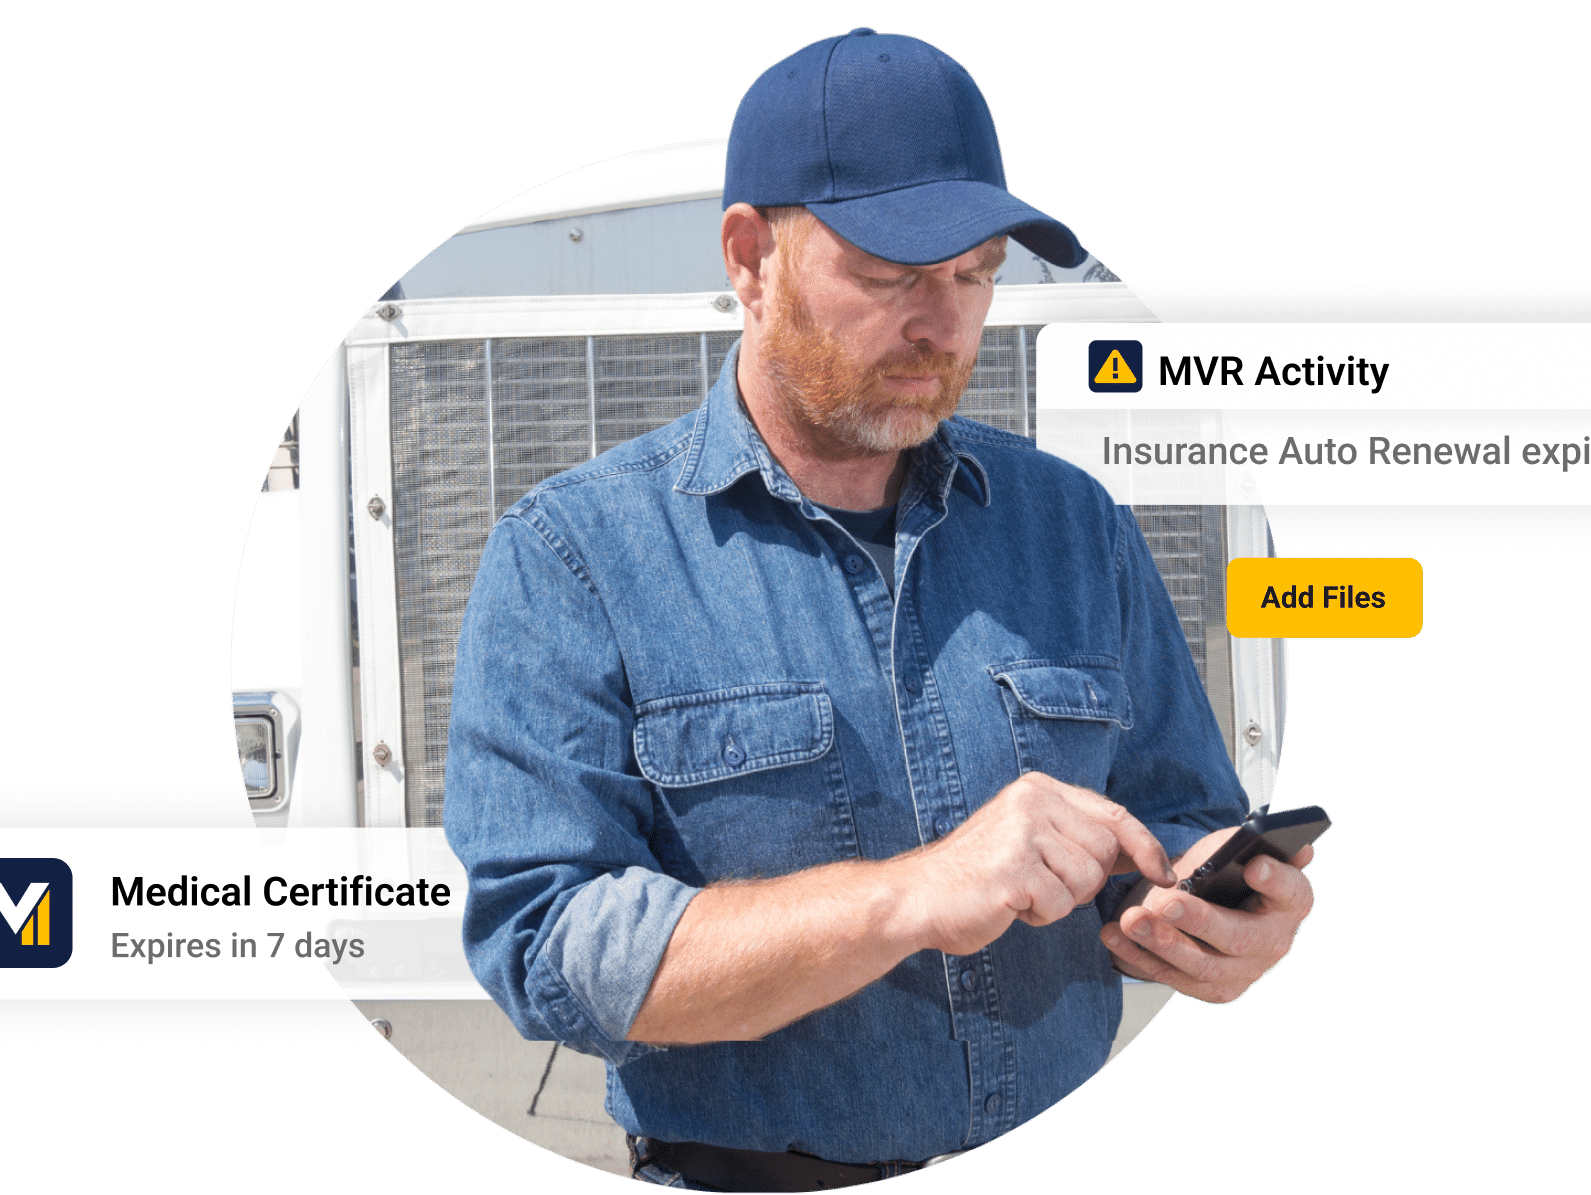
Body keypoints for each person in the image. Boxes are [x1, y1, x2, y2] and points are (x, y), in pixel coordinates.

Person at [444, 27, 1316, 1192]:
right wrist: (909, 894)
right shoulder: (573, 555)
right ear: (749, 257)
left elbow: (1169, 816)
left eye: (974, 275)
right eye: (893, 273)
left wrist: (1214, 905)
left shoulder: (1073, 525)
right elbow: (545, 951)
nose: (943, 324)